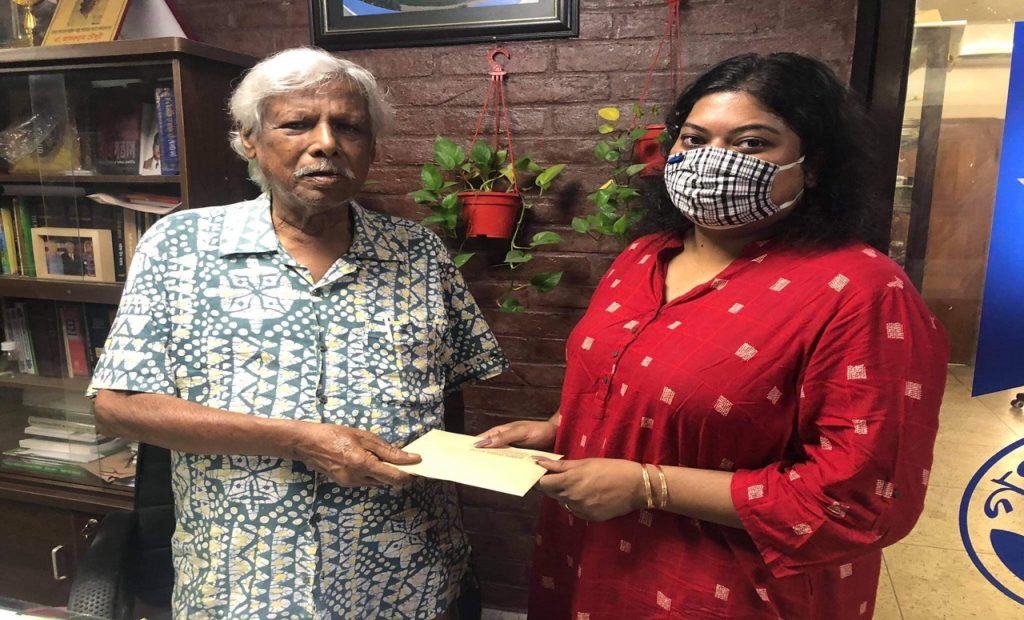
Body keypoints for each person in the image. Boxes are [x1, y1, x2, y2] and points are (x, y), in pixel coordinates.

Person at [477, 53, 948, 619]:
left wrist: (649, 486)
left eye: (751, 143)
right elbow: (628, 380)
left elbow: (861, 501)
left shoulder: (862, 291)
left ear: (813, 164)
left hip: (729, 590)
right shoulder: (643, 257)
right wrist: (560, 427)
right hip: (591, 564)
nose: (712, 160)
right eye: (695, 139)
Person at [89, 47, 508, 619]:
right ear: (249, 140)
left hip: (401, 574)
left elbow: (449, 400)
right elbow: (117, 406)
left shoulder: (419, 254)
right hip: (243, 581)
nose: (326, 143)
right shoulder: (180, 246)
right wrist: (296, 438)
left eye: (349, 127)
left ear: (372, 146)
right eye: (297, 124)